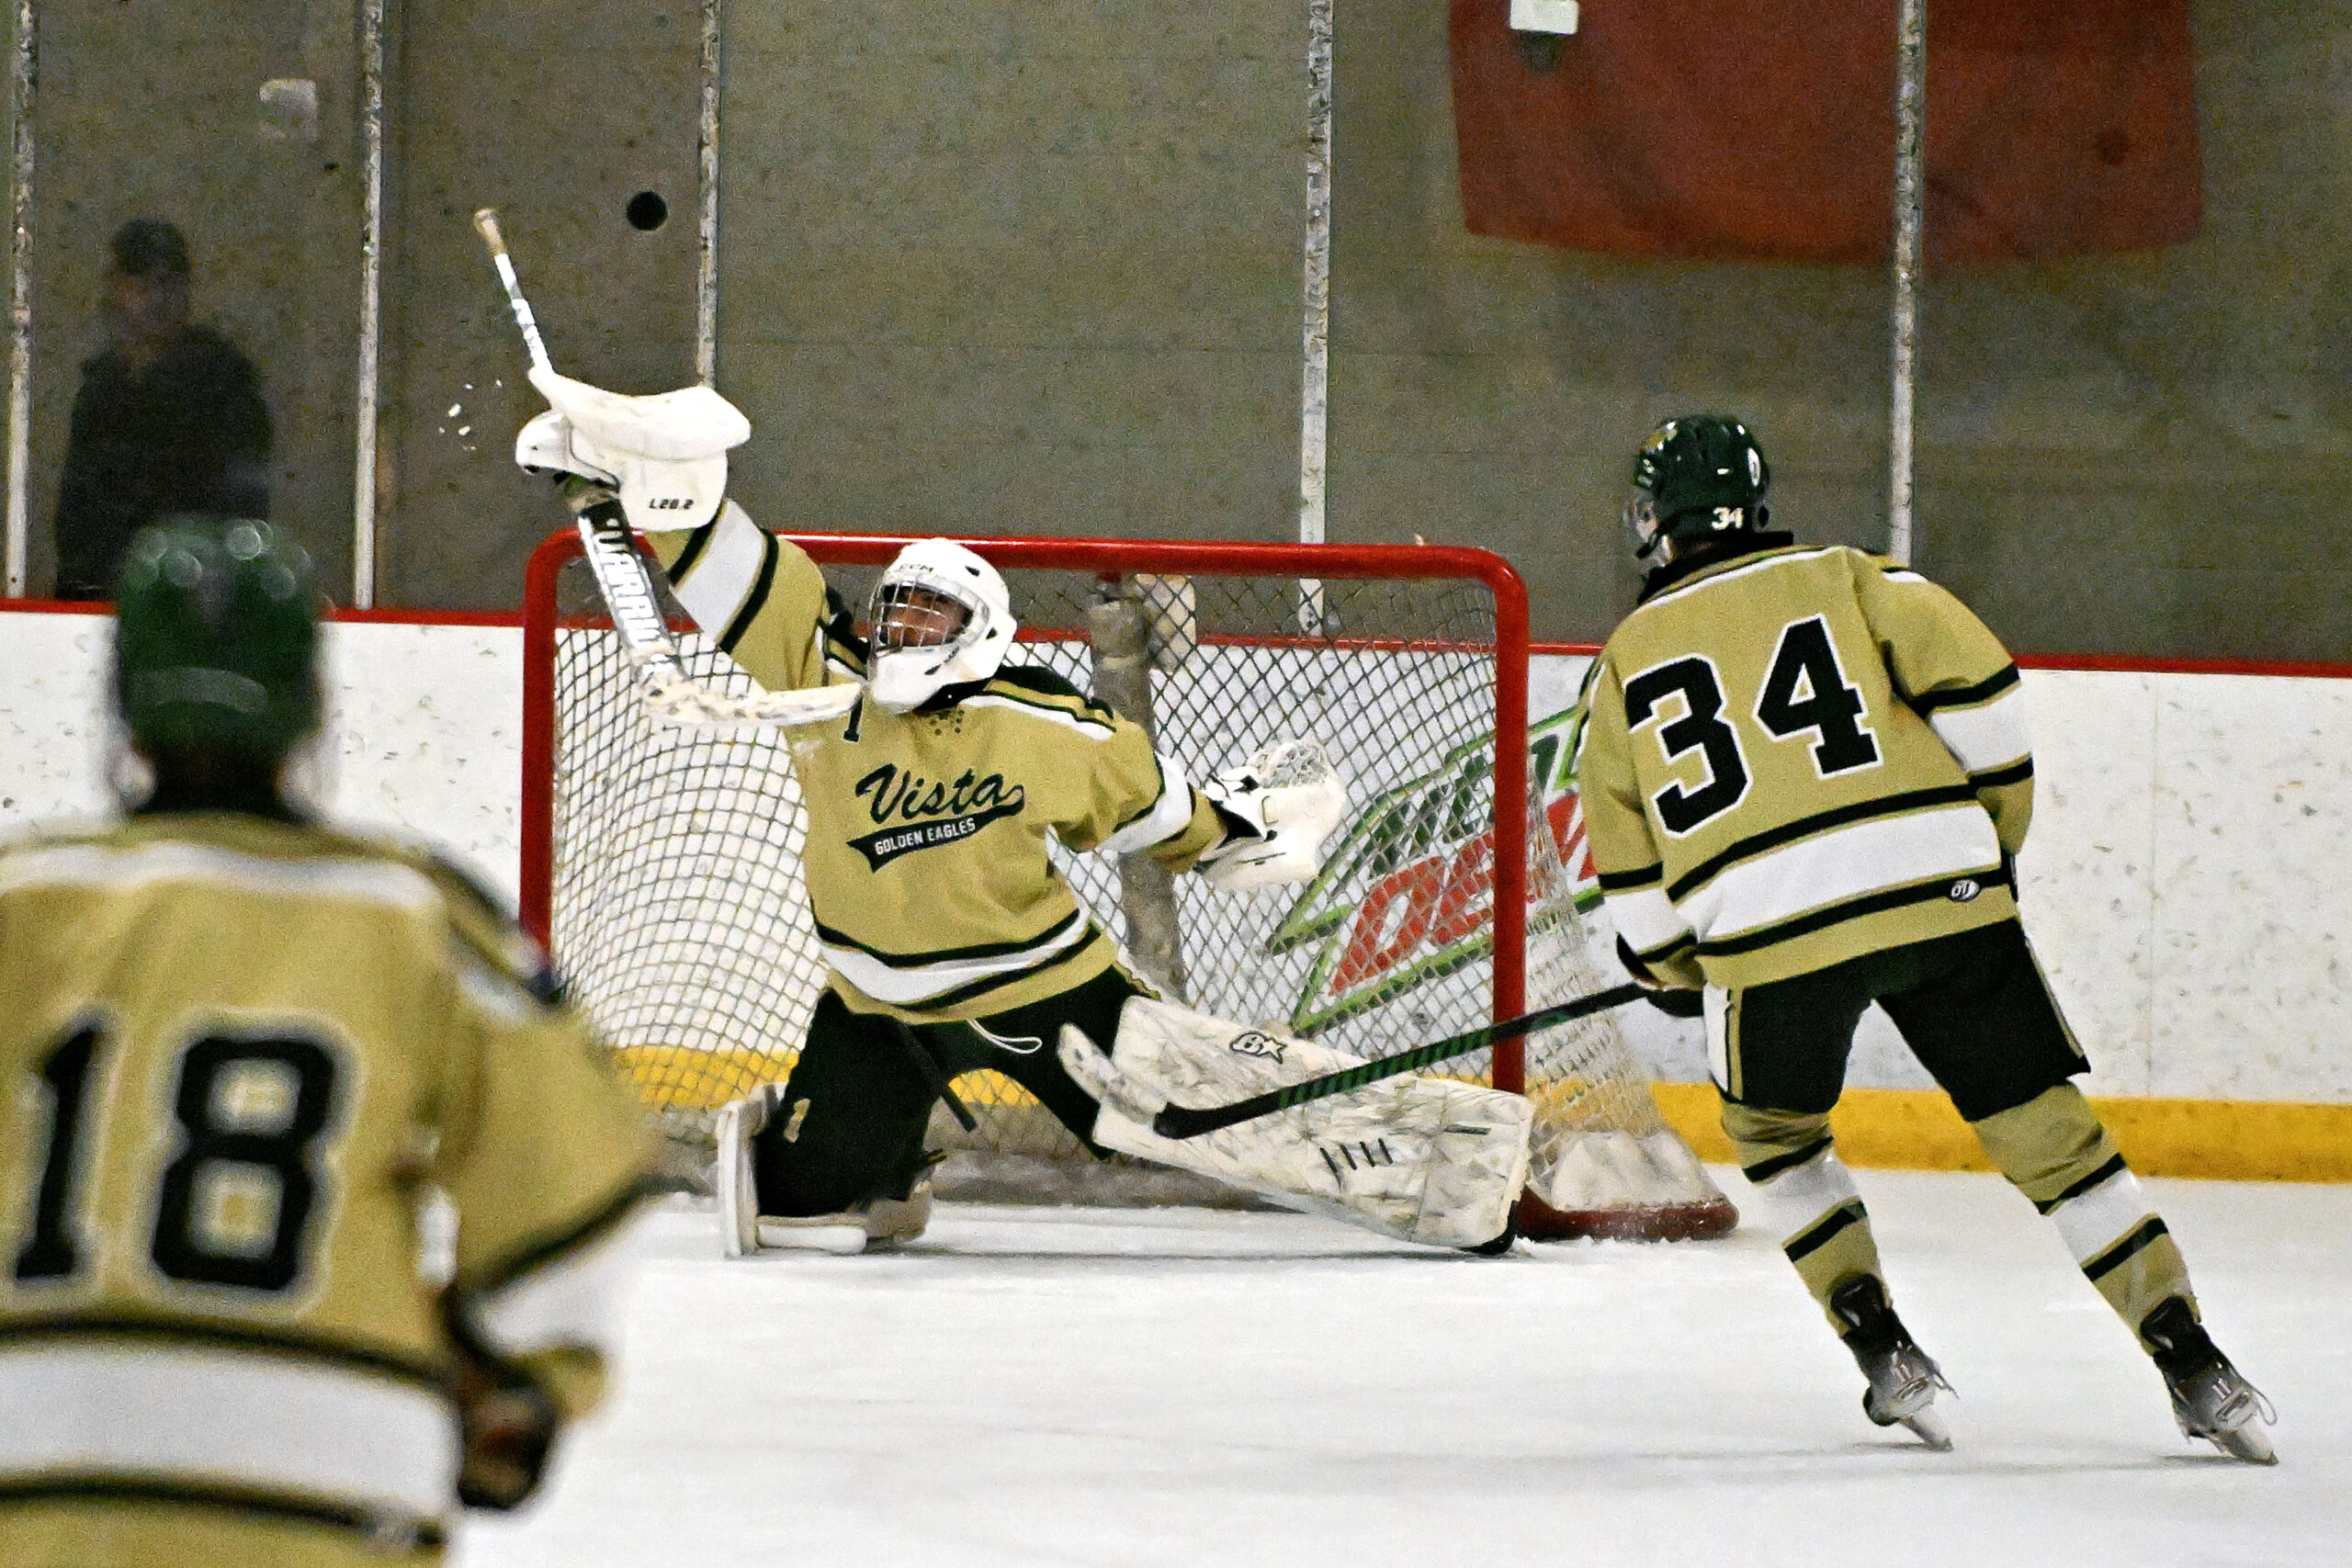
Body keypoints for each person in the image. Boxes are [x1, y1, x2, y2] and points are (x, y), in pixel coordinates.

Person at [513, 368, 1534, 1258]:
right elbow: (731, 565)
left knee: (1183, 1119)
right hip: (876, 1009)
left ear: (981, 633)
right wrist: (637, 478)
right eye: (894, 609)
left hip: (1037, 996)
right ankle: (889, 1158)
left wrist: (1241, 833)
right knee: (788, 1214)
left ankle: (1445, 1158)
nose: (900, 628)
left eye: (929, 614)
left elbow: (1146, 798)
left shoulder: (1038, 720)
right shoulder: (821, 680)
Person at [1571, 414, 2276, 1461]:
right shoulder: (1852, 576)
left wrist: (1672, 966)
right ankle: (2193, 1362)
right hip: (1940, 890)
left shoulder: (1624, 664)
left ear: (1652, 523)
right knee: (2044, 1127)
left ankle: (1884, 1354)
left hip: (1765, 940)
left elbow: (1629, 874)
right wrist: (1980, 845)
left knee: (1775, 1138)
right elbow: (1985, 694)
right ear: (1754, 505)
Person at [0, 518, 655, 1566]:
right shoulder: (412, 917)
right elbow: (577, 1194)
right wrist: (514, 1381)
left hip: (29, 1450)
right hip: (334, 1460)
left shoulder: (20, 898)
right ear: (310, 706)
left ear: (121, 705)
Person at [51, 220, 273, 599]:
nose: (157, 298)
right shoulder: (102, 386)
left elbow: (239, 505)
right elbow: (78, 514)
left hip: (196, 600)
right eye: (141, 284)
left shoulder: (221, 377)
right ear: (115, 288)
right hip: (106, 600)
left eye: (169, 282)